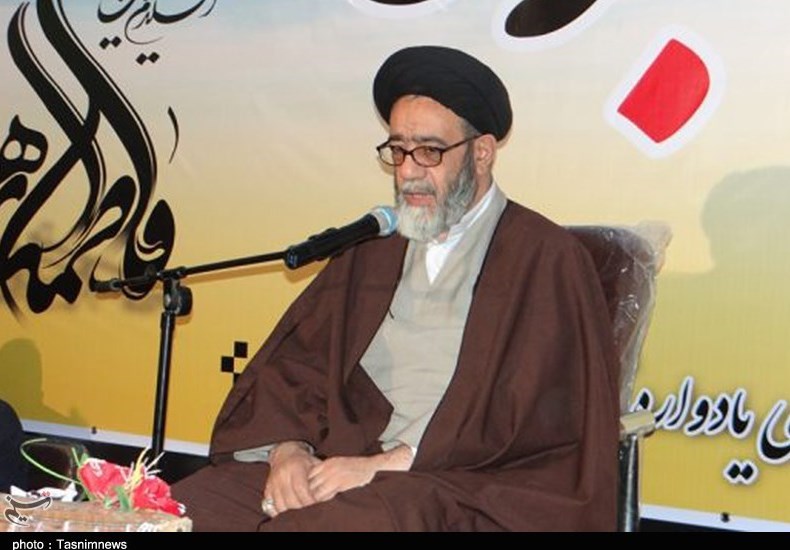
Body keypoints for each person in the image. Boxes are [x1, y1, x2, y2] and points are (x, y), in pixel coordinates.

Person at [173, 45, 619, 531]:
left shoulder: (544, 257)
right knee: (184, 511)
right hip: (337, 459)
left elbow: (539, 419)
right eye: (398, 150)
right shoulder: (373, 248)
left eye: (429, 151)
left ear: (482, 152)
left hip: (454, 482)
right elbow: (298, 369)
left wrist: (384, 466)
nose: (408, 171)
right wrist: (288, 453)